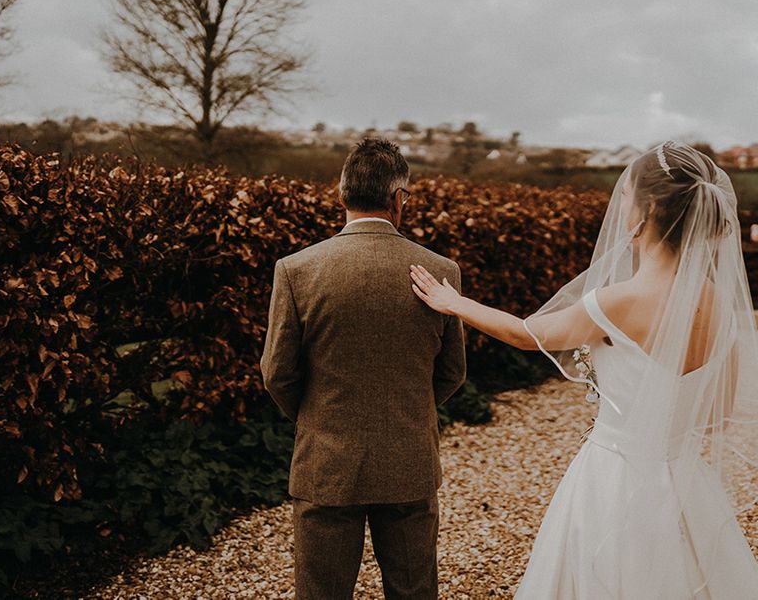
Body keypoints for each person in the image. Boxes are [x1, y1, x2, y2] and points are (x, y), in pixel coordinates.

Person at [409, 140, 758, 598]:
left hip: (614, 479)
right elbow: (718, 411)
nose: (621, 205)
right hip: (688, 482)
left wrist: (455, 302)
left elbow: (525, 333)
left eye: (627, 196)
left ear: (649, 208)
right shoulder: (719, 303)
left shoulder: (617, 302)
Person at [260, 137, 466, 600]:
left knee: (322, 593)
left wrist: (318, 417)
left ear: (341, 194)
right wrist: (408, 409)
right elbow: (452, 371)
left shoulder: (296, 270)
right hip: (409, 457)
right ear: (398, 199)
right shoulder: (440, 271)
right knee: (413, 589)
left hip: (326, 461)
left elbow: (277, 372)